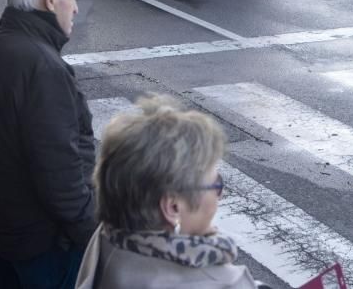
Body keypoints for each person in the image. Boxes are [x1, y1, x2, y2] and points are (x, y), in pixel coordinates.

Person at [0, 0, 96, 289]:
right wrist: (94, 234)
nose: (77, 8)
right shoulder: (42, 68)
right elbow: (60, 175)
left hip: (9, 230)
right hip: (48, 244)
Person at [75, 96, 258, 289]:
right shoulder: (220, 283)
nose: (219, 195)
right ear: (173, 207)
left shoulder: (108, 236)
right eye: (216, 185)